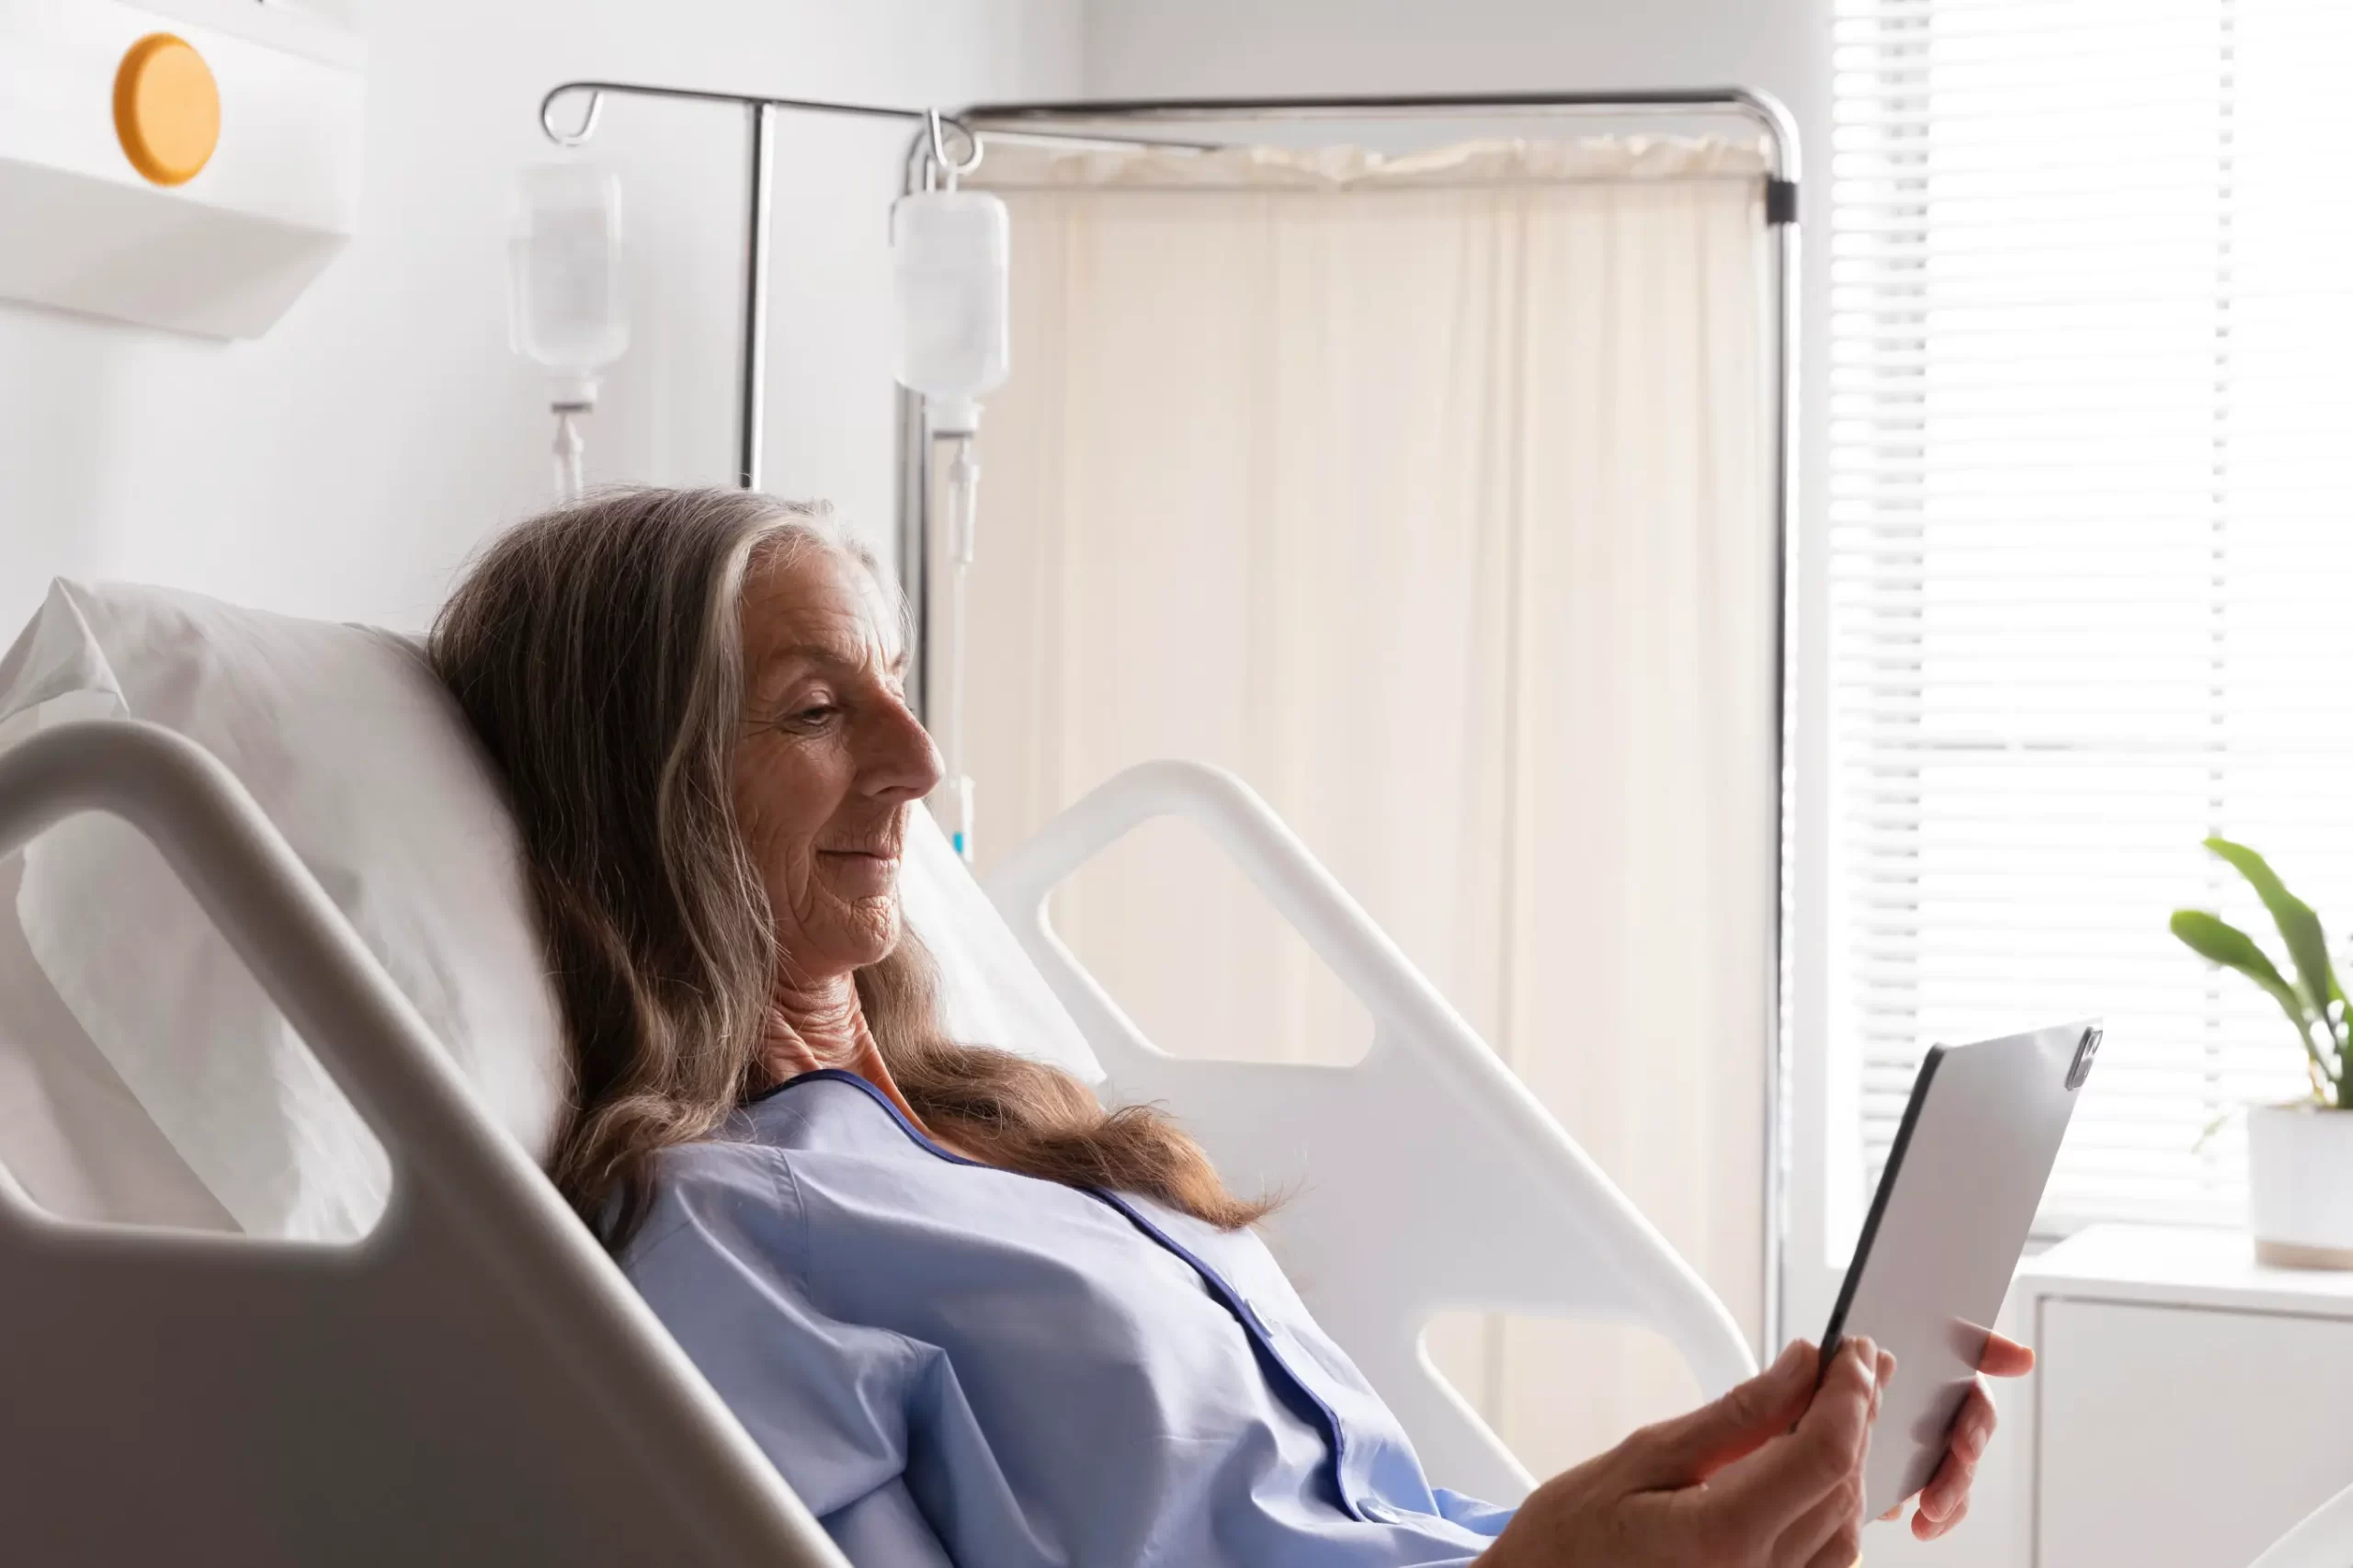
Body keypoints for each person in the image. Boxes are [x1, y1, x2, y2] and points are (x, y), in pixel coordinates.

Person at [431, 486, 2027, 1567]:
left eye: (901, 685)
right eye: (818, 708)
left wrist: (1734, 1481)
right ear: (649, 798)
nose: (919, 760)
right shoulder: (721, 1250)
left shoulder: (998, 1119)